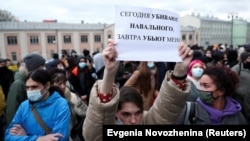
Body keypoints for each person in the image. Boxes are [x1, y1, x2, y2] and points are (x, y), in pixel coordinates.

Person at [82, 39, 193, 141]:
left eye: (138, 113)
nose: (134, 121)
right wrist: (110, 73)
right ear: (116, 113)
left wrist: (180, 71)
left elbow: (166, 112)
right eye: (126, 114)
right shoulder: (138, 72)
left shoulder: (146, 122)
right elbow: (95, 132)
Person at [5, 69, 71, 141]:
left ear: (47, 85)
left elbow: (59, 138)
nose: (30, 91)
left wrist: (25, 136)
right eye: (27, 87)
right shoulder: (24, 106)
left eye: (34, 87)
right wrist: (37, 139)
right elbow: (8, 136)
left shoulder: (61, 105)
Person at [177, 65, 247, 125]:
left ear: (221, 91)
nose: (201, 89)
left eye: (206, 86)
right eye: (200, 85)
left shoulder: (237, 116)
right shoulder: (189, 111)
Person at [5, 53, 46, 126]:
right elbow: (12, 111)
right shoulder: (18, 85)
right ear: (33, 69)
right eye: (41, 66)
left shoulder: (39, 82)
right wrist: (14, 130)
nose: (44, 68)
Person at [49, 68, 88, 141]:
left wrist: (78, 127)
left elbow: (85, 112)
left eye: (64, 83)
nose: (63, 86)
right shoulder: (49, 101)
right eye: (59, 84)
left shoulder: (72, 97)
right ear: (51, 84)